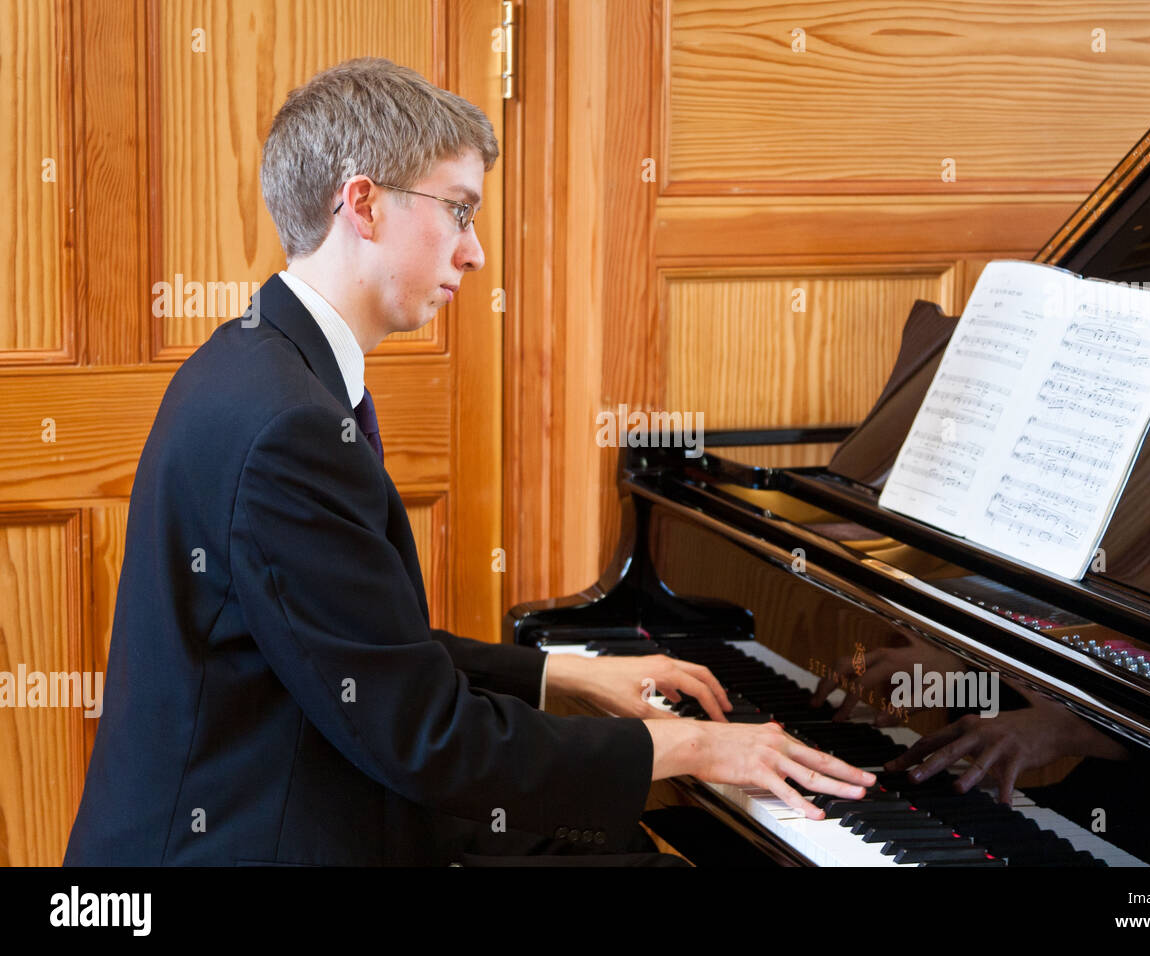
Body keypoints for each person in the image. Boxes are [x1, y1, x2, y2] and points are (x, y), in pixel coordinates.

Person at [63, 58, 872, 866]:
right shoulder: (289, 426)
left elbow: (362, 649)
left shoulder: (258, 362)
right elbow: (426, 739)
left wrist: (562, 676)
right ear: (365, 205)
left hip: (273, 802)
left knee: (611, 844)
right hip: (250, 841)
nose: (475, 252)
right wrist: (692, 751)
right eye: (458, 212)